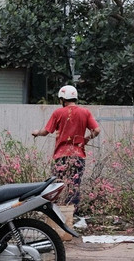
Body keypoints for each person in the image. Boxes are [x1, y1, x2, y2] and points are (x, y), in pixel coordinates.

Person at [31, 85, 100, 225]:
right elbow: (97, 130)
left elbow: (45, 132)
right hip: (78, 155)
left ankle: (57, 217)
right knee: (74, 185)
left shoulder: (58, 113)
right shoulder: (85, 112)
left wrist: (36, 132)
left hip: (61, 156)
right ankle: (72, 218)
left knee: (57, 185)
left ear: (63, 99)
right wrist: (86, 139)